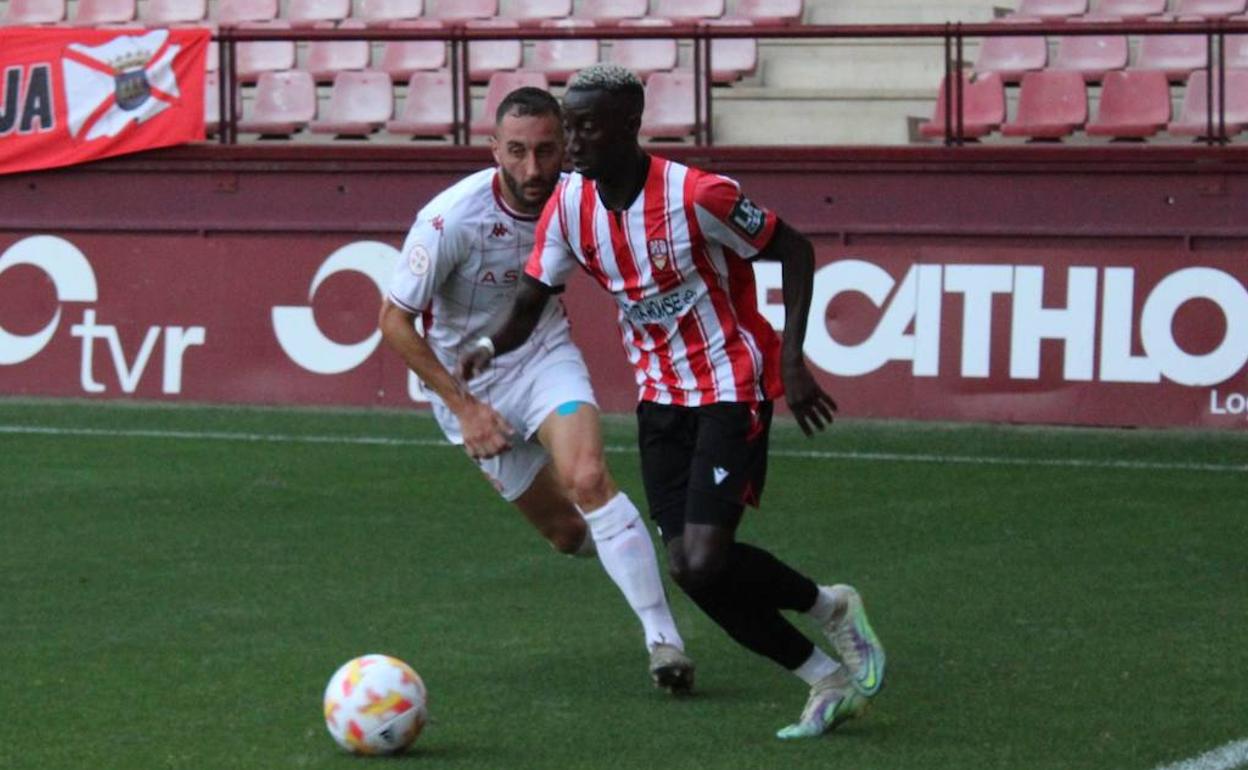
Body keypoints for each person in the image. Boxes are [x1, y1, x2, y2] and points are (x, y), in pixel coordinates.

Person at [458, 64, 886, 739]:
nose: (571, 141)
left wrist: (791, 358)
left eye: (586, 126)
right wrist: (486, 348)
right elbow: (528, 301)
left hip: (729, 387)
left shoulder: (697, 195)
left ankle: (830, 606)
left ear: (630, 126)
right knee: (691, 570)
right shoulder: (569, 206)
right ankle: (825, 678)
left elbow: (794, 248)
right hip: (660, 401)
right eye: (567, 125)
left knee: (703, 560)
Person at [378, 86, 695, 694]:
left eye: (547, 151)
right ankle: (622, 536)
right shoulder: (450, 220)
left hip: (543, 357)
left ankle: (663, 640)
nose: (533, 169)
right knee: (569, 533)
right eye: (517, 152)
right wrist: (465, 408)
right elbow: (394, 320)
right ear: (493, 147)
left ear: (566, 146)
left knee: (589, 479)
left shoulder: (582, 194)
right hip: (465, 383)